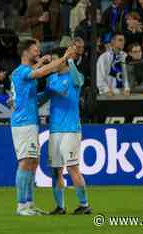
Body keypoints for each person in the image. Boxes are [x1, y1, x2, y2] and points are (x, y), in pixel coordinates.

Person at [10, 39, 75, 216]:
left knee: (33, 162)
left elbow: (32, 85)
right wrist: (63, 58)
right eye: (35, 50)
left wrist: (41, 64)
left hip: (29, 122)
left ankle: (29, 204)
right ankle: (21, 205)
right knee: (25, 162)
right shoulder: (23, 71)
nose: (38, 51)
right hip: (23, 123)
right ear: (25, 53)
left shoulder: (23, 71)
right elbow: (41, 72)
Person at [42, 48, 91, 215]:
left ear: (63, 61)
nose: (52, 64)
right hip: (55, 129)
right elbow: (44, 97)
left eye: (56, 60)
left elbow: (79, 81)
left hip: (71, 129)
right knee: (56, 170)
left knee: (72, 168)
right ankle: (60, 207)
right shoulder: (51, 79)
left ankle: (84, 204)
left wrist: (70, 60)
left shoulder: (75, 76)